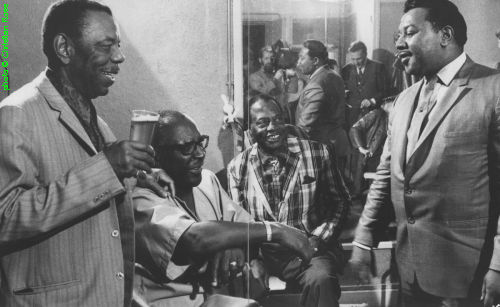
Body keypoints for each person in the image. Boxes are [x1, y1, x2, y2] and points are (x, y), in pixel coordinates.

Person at [0, 1, 168, 306]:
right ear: (64, 48)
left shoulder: (97, 123)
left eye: (117, 44)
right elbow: (5, 219)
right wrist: (106, 168)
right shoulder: (16, 113)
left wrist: (134, 181)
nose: (120, 56)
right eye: (106, 45)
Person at [350, 0, 500, 306]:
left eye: (409, 32)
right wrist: (364, 238)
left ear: (445, 35)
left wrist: (498, 264)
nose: (399, 44)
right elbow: (385, 174)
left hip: (466, 275)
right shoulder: (403, 101)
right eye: (397, 36)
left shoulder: (492, 90)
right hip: (410, 272)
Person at [133, 110, 315, 307]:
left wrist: (234, 245)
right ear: (155, 155)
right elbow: (193, 239)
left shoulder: (207, 182)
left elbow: (247, 230)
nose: (200, 154)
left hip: (222, 297)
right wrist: (275, 230)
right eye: (186, 148)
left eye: (200, 142)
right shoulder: (141, 198)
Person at [228, 94, 351, 307]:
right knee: (238, 286)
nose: (273, 127)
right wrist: (252, 258)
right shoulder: (238, 167)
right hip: (264, 253)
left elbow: (340, 202)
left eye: (277, 119)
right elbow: (238, 222)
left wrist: (317, 240)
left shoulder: (316, 153)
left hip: (309, 249)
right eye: (262, 122)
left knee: (320, 280)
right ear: (250, 129)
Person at [295, 39, 350, 169]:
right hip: (339, 145)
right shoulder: (334, 76)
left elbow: (305, 126)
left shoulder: (315, 85)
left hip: (323, 150)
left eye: (302, 59)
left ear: (315, 61)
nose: (298, 63)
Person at [349, 99, 392, 200]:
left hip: (381, 158)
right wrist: (361, 148)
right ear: (386, 104)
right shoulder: (377, 114)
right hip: (370, 156)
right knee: (366, 192)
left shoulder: (393, 118)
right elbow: (355, 128)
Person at [341, 40, 388, 128]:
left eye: (359, 59)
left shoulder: (378, 68)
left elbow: (386, 91)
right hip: (351, 118)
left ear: (365, 54)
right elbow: (343, 91)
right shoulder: (346, 70)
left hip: (373, 117)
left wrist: (372, 101)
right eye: (353, 59)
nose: (356, 62)